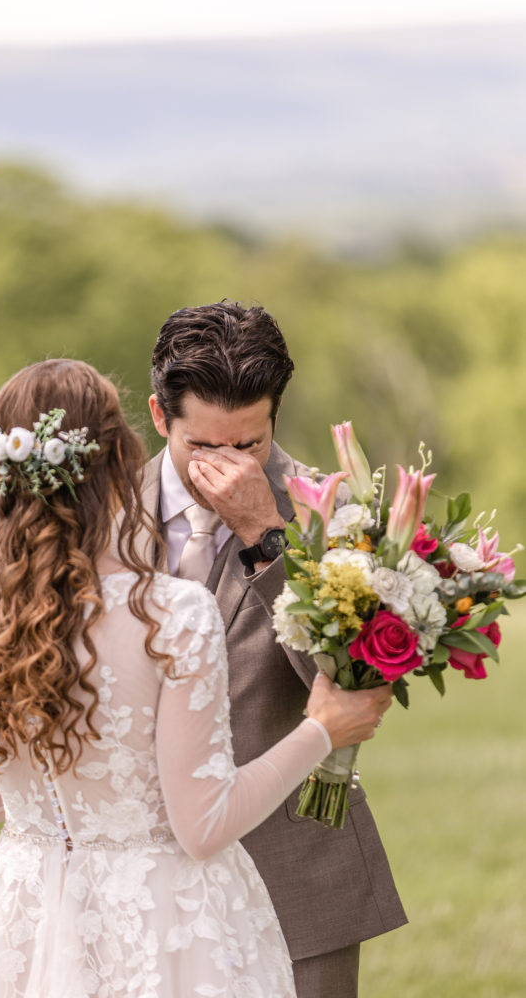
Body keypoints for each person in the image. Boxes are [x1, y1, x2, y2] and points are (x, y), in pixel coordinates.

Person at [0, 357, 392, 998]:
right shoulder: (168, 612)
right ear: (124, 455)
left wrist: (72, 799)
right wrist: (320, 731)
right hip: (167, 921)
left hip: (28, 921)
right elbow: (201, 827)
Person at [144, 302, 408, 997]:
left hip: (293, 870)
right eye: (203, 447)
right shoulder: (100, 511)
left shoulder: (338, 507)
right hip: (138, 881)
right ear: (157, 415)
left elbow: (353, 682)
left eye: (248, 445)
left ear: (273, 420)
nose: (226, 467)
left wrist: (267, 533)